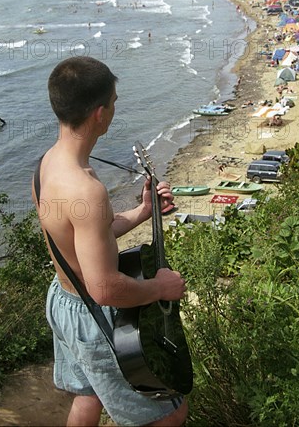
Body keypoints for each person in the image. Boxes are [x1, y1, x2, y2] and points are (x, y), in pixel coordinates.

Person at [32, 56, 188, 427]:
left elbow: (85, 236)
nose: (116, 109)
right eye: (115, 102)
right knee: (169, 412)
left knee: (89, 398)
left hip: (64, 302)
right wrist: (159, 288)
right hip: (92, 316)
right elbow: (103, 287)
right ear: (99, 114)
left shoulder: (47, 164)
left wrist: (141, 212)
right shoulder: (87, 188)